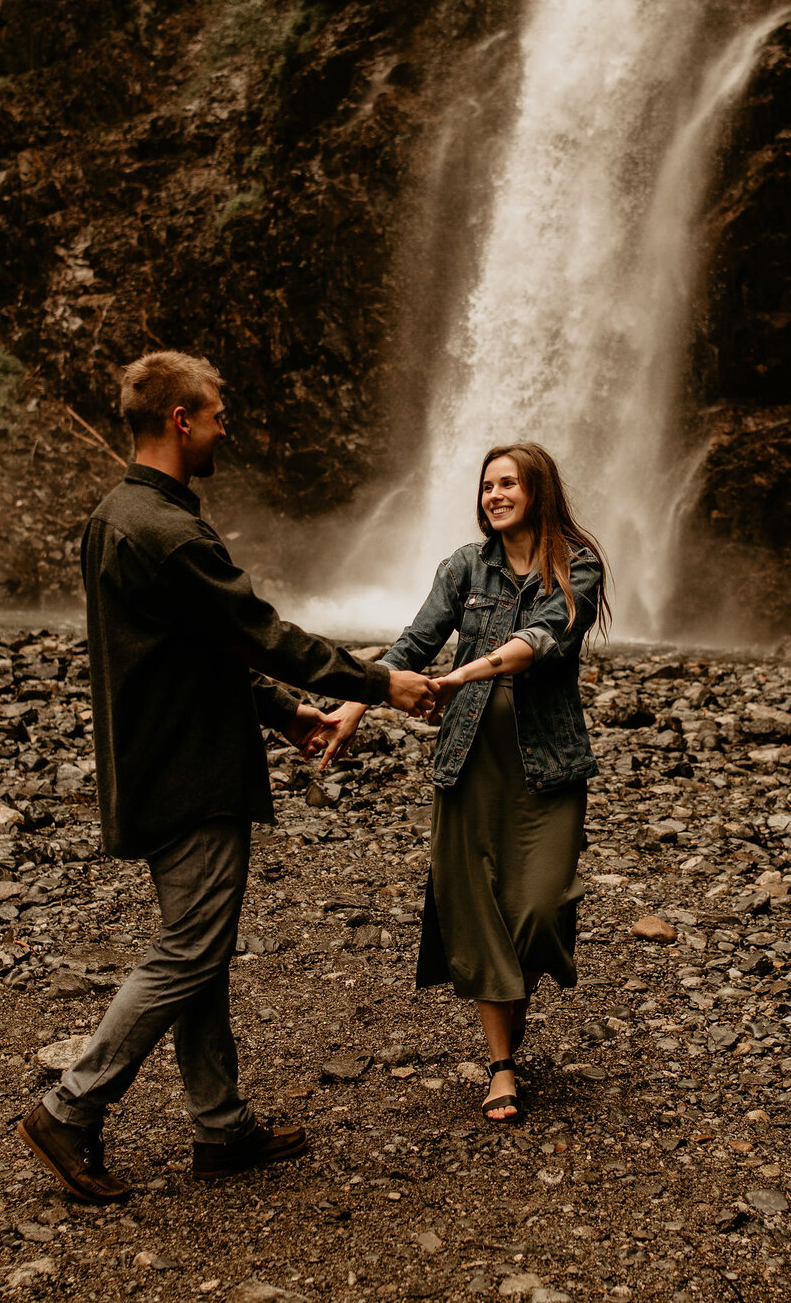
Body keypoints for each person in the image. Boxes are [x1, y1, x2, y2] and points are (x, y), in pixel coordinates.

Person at [16, 350, 438, 1204]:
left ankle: (220, 1126)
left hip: (157, 757)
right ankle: (71, 1105)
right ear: (180, 418)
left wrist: (282, 713)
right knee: (190, 949)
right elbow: (260, 632)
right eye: (215, 411)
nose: (223, 424)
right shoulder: (167, 532)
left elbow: (184, 653)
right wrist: (377, 682)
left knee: (199, 949)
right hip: (189, 772)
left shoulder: (116, 517)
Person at [310, 441, 607, 1122]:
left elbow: (544, 635)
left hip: (547, 765)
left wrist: (462, 673)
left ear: (538, 489)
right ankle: (502, 1063)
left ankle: (511, 1002)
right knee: (475, 911)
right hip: (468, 762)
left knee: (538, 910)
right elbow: (410, 647)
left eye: (508, 483)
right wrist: (353, 709)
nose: (494, 495)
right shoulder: (464, 567)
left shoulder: (576, 564)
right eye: (486, 485)